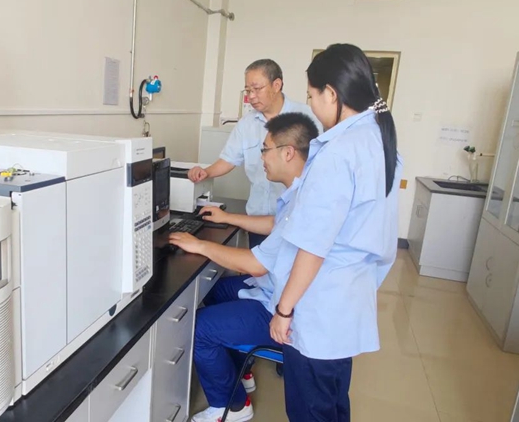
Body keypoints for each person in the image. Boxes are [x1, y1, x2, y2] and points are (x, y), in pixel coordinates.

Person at [171, 43, 402, 422]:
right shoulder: (377, 141)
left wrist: (283, 309)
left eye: (312, 96)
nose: (310, 104)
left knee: (311, 408)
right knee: (330, 401)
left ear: (331, 93)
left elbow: (313, 246)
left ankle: (232, 401)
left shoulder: (338, 152)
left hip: (318, 304)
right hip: (344, 301)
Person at [171, 112, 319, 421]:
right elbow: (274, 224)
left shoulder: (307, 201)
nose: (261, 157)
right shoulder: (302, 190)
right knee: (215, 292)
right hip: (276, 290)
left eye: (265, 149)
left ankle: (234, 406)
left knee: (199, 327)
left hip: (284, 310)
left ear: (288, 152)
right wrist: (227, 218)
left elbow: (255, 265)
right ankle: (239, 370)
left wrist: (200, 245)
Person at [187, 59, 322, 248]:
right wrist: (206, 172)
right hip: (258, 220)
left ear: (277, 85)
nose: (251, 96)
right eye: (248, 90)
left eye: (257, 89)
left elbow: (321, 166)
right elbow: (229, 158)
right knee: (258, 263)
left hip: (295, 220)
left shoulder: (307, 118)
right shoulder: (247, 124)